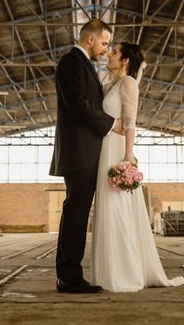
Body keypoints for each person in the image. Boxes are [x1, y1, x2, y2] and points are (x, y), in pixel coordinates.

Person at [91, 42, 184, 292]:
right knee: (106, 207)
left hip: (118, 150)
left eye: (114, 52)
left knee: (118, 207)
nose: (109, 55)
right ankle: (108, 271)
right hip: (104, 149)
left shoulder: (128, 83)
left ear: (125, 61)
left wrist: (128, 155)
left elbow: (131, 122)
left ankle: (126, 271)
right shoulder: (108, 84)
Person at [50, 19, 124, 294]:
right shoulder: (72, 62)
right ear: (90, 39)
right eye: (104, 43)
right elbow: (78, 104)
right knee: (76, 213)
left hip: (85, 149)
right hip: (79, 150)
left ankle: (70, 274)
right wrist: (110, 123)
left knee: (78, 212)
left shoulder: (83, 65)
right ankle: (68, 277)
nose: (105, 50)